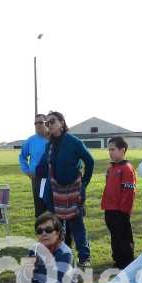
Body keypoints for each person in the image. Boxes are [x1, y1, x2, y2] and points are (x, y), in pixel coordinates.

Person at [44, 110, 94, 268]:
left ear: (62, 122)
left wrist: (84, 182)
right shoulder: (49, 145)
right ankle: (62, 255)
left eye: (52, 121)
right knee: (57, 225)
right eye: (47, 123)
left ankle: (84, 257)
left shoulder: (74, 142)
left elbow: (90, 161)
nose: (49, 125)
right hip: (55, 192)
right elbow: (48, 168)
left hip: (74, 191)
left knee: (77, 225)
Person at [100, 136, 137, 269]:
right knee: (115, 235)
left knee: (123, 236)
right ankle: (118, 259)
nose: (110, 152)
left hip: (120, 211)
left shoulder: (127, 168)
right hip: (109, 209)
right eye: (109, 150)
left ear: (122, 150)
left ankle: (126, 261)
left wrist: (124, 210)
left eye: (113, 149)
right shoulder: (111, 168)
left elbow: (129, 191)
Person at [18, 114, 50, 217]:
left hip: (54, 177)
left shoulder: (54, 137)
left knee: (53, 206)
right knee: (40, 206)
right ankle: (41, 225)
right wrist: (27, 171)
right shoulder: (30, 141)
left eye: (40, 122)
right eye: (35, 123)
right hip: (38, 178)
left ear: (47, 123)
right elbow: (22, 157)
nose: (37, 125)